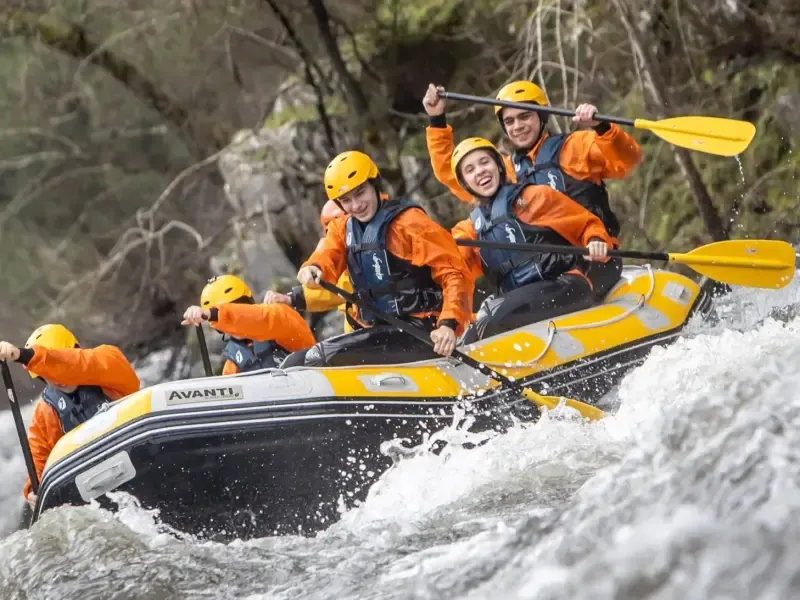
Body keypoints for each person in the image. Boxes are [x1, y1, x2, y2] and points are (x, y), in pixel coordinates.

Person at [423, 81, 642, 297]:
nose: (517, 126)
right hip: (549, 269)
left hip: (593, 256)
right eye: (509, 121)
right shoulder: (505, 172)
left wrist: (601, 127)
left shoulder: (574, 147)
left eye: (525, 116)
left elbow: (627, 159)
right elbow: (454, 173)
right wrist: (436, 120)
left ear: (542, 115)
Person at [285, 150, 472, 367]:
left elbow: (454, 273)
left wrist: (448, 324)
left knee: (320, 357)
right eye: (346, 200)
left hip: (422, 329)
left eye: (360, 192)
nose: (356, 205)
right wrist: (313, 267)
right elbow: (328, 253)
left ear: (374, 184)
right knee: (297, 361)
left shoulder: (410, 222)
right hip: (379, 330)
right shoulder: (342, 228)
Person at [449, 137, 614, 342]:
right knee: (470, 337)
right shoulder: (469, 230)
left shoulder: (535, 197)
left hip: (564, 284)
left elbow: (587, 225)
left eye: (485, 162)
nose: (480, 171)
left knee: (491, 319)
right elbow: (451, 265)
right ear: (465, 183)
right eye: (470, 169)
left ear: (499, 167)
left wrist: (595, 240)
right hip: (520, 298)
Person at [0, 324, 140, 508]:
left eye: (52, 368)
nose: (55, 378)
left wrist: (24, 355)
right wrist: (33, 490)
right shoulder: (46, 412)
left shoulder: (107, 361)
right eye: (44, 374)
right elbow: (39, 459)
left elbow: (74, 363)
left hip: (138, 460)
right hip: (96, 487)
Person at [182, 274, 316, 374]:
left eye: (238, 307)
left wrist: (213, 314)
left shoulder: (280, 317)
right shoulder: (233, 364)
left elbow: (262, 318)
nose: (235, 320)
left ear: (249, 305)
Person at [264, 200, 358, 334]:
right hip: (357, 324)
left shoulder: (366, 246)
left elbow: (343, 288)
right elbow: (333, 285)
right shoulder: (331, 248)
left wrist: (291, 298)